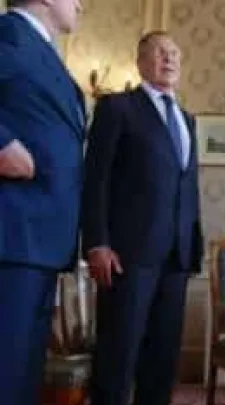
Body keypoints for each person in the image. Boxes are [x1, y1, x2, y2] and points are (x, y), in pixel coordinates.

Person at [82, 31, 203, 405]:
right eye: (160, 52)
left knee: (161, 362)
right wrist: (97, 243)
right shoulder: (118, 108)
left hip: (177, 257)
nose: (169, 59)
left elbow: (186, 187)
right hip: (128, 256)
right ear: (140, 62)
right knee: (117, 359)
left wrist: (193, 244)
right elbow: (96, 179)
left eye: (175, 53)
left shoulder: (187, 119)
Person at [0, 1, 84, 404]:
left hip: (43, 237)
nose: (80, 5)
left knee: (24, 372)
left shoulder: (42, 49)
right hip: (14, 231)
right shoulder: (9, 33)